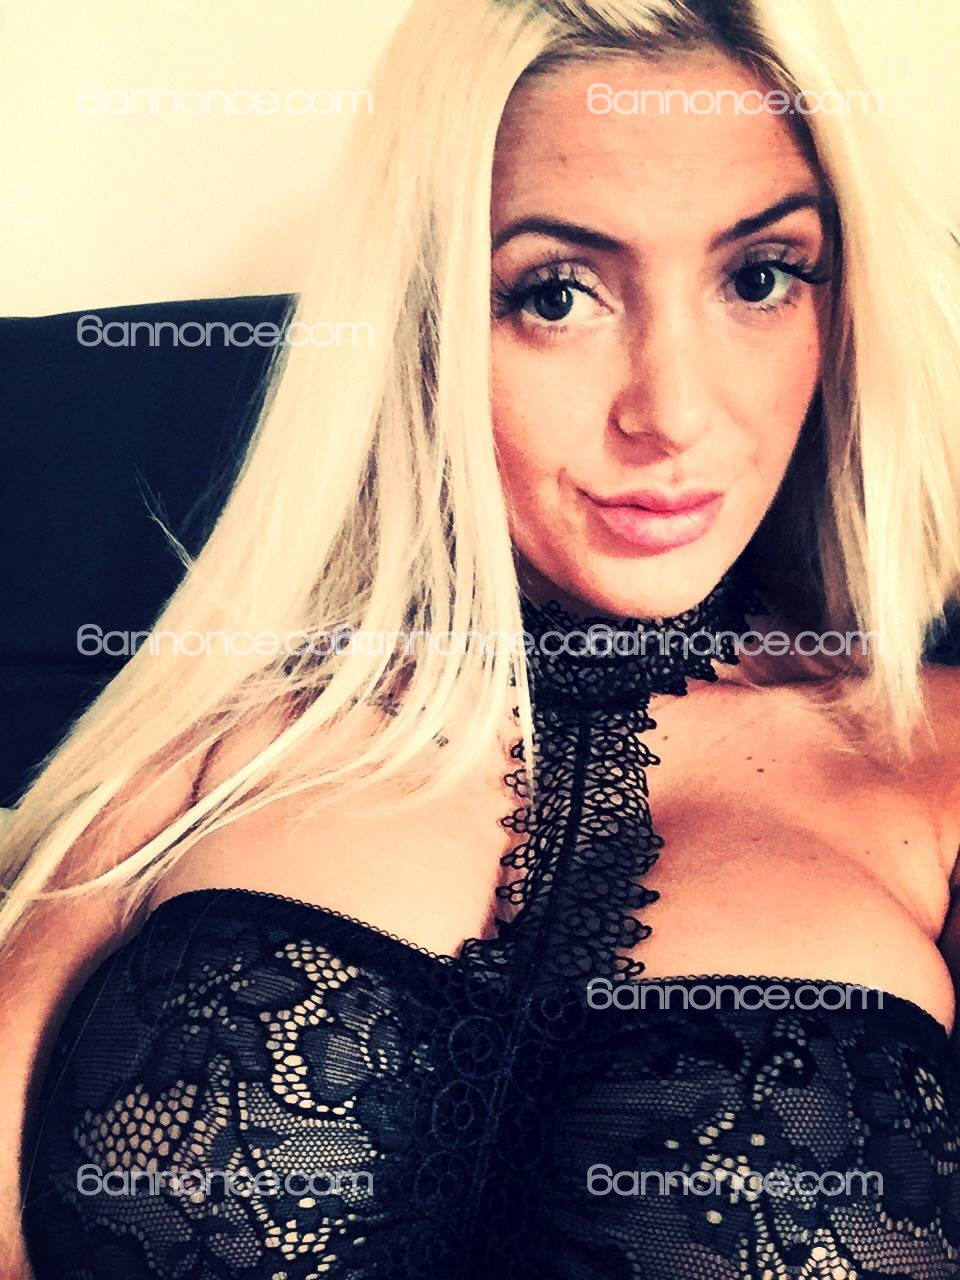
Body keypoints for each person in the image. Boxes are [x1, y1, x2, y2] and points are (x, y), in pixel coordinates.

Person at [4, 0, 960, 1275]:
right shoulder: (211, 741)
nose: (672, 411)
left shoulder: (935, 766)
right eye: (556, 294)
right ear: (421, 327)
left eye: (758, 277)